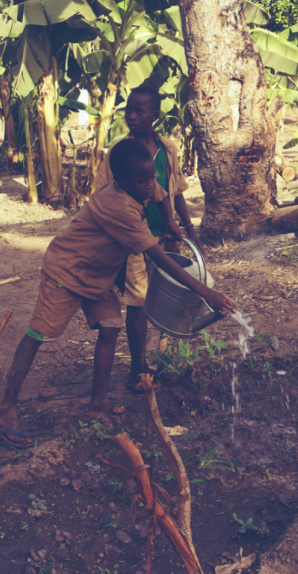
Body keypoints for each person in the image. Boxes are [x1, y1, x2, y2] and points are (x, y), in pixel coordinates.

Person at [0, 139, 236, 446]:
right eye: (142, 180)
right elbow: (158, 258)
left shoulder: (140, 186)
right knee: (39, 334)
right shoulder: (119, 207)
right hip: (67, 272)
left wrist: (171, 222)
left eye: (151, 177)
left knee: (109, 329)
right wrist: (206, 293)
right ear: (118, 179)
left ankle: (98, 403)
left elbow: (162, 195)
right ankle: (5, 408)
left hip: (99, 275)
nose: (149, 185)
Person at [95, 86, 202, 391]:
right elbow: (104, 194)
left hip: (164, 235)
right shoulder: (120, 153)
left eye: (139, 111)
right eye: (128, 110)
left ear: (154, 115)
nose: (131, 116)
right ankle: (137, 366)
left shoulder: (167, 149)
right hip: (133, 240)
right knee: (137, 302)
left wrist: (187, 226)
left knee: (164, 296)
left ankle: (163, 357)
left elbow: (174, 191)